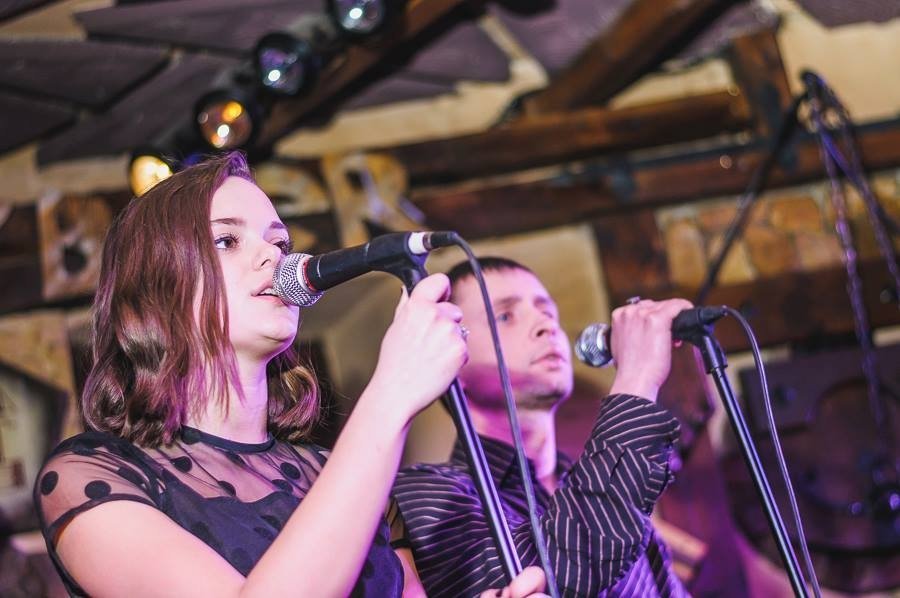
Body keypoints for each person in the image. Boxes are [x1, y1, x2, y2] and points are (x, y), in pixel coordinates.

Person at [33, 154, 544, 597]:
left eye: (279, 242)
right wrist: (389, 397)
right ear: (154, 289)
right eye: (227, 240)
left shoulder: (333, 472)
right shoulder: (90, 475)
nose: (274, 256)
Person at [391, 257, 692, 597]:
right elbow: (554, 574)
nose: (545, 326)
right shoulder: (429, 494)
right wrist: (637, 377)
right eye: (505, 317)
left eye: (547, 311)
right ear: (450, 361)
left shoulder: (601, 488)